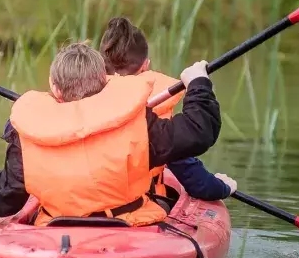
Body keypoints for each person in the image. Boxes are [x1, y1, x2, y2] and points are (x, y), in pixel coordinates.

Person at [0, 41, 222, 226]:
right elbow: (199, 130)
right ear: (103, 80)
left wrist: (11, 165)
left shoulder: (28, 133)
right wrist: (198, 83)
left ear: (54, 87)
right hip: (126, 226)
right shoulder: (137, 122)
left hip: (55, 228)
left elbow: (3, 203)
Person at [100, 16, 236, 208]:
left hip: (67, 216)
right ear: (146, 65)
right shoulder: (150, 123)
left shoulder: (77, 103)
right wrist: (222, 187)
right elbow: (196, 181)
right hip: (129, 215)